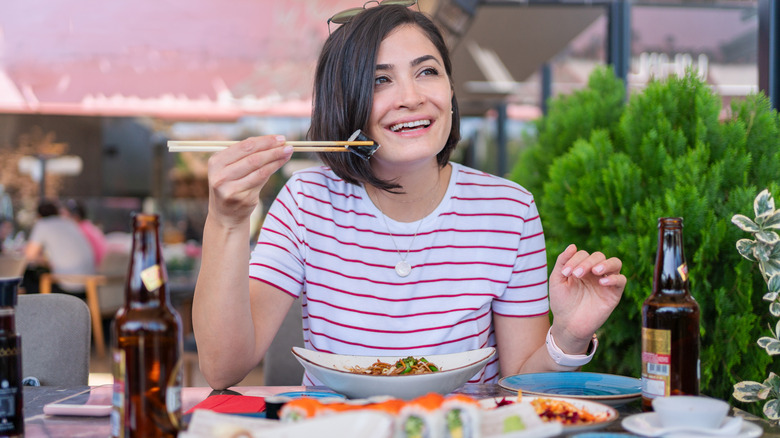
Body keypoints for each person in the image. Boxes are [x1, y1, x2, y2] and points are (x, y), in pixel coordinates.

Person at [192, 3, 626, 390]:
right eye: (380, 80)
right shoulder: (307, 202)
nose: (412, 98)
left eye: (427, 71)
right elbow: (223, 368)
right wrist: (226, 221)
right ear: (345, 103)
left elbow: (519, 385)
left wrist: (568, 335)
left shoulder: (508, 210)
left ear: (451, 92)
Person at [23, 199, 95, 294]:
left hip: (68, 284)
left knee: (27, 276)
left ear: (39, 216)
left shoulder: (43, 224)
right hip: (89, 284)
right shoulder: (69, 223)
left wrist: (41, 259)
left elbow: (29, 255)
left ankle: (38, 308)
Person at [62, 199, 108, 268]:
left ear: (75, 217)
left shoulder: (79, 231)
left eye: (66, 216)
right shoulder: (88, 226)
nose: (63, 220)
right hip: (99, 266)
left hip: (92, 270)